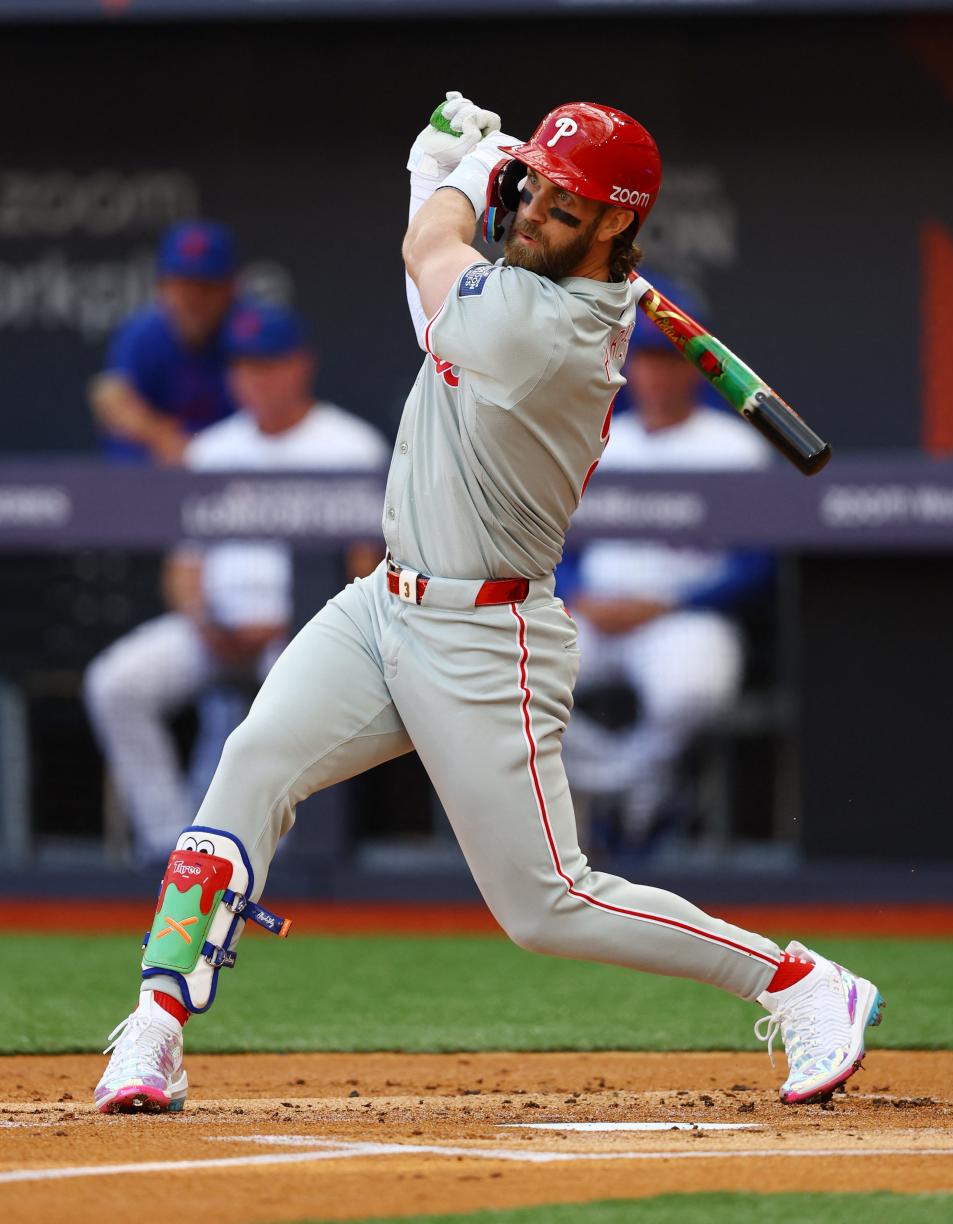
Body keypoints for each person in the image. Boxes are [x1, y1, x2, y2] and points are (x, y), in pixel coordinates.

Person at [94, 92, 883, 1115]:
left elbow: (434, 252)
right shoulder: (514, 291)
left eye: (569, 202)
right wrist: (458, 174)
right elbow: (438, 309)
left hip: (486, 634)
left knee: (547, 906)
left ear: (618, 225)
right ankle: (156, 1025)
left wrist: (457, 175)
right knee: (252, 762)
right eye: (538, 188)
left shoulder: (547, 330)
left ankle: (800, 983)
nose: (539, 208)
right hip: (384, 604)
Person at [84, 301, 389, 865]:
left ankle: (276, 852)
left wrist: (297, 626)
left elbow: (367, 573)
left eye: (269, 363)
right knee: (115, 682)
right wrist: (203, 620)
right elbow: (184, 570)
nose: (256, 378)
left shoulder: (351, 445)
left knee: (294, 685)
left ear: (301, 365)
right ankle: (172, 847)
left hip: (305, 632)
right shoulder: (211, 450)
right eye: (244, 365)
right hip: (215, 629)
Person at [562, 287, 774, 845]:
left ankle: (628, 791)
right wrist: (578, 593)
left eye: (667, 360)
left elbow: (759, 566)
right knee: (506, 681)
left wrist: (670, 604)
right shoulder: (600, 440)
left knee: (693, 692)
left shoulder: (734, 447)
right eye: (646, 359)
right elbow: (552, 544)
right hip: (596, 612)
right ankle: (636, 783)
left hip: (682, 614)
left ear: (694, 370)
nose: (654, 375)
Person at [89, 220, 240, 464]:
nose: (193, 299)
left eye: (205, 286)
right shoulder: (141, 335)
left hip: (235, 481)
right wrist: (160, 434)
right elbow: (111, 400)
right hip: (149, 480)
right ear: (162, 286)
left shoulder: (248, 331)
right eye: (183, 285)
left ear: (230, 287)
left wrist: (195, 454)